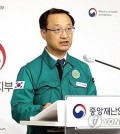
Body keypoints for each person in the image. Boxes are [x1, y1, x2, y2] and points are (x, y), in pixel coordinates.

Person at [11, 8, 97, 134]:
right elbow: (18, 110)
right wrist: (42, 110)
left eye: (69, 29)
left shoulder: (83, 68)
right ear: (43, 33)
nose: (65, 35)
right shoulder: (29, 70)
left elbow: (93, 107)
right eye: (57, 30)